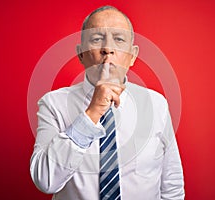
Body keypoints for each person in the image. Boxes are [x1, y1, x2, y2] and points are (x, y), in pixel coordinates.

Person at [30, 5, 185, 200]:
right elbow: (45, 181)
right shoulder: (53, 104)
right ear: (81, 53)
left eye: (119, 39)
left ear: (133, 55)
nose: (108, 49)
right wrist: (92, 113)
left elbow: (172, 185)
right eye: (96, 39)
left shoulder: (157, 105)